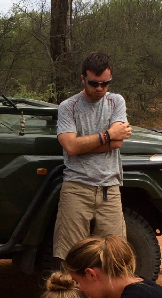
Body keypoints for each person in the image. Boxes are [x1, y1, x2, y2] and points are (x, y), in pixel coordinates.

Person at [53, 52, 133, 268]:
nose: (100, 88)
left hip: (110, 189)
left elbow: (118, 143)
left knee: (115, 258)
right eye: (94, 83)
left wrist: (85, 144)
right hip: (76, 188)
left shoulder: (116, 101)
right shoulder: (68, 107)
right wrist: (107, 135)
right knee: (71, 258)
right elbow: (70, 146)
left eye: (105, 83)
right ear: (83, 79)